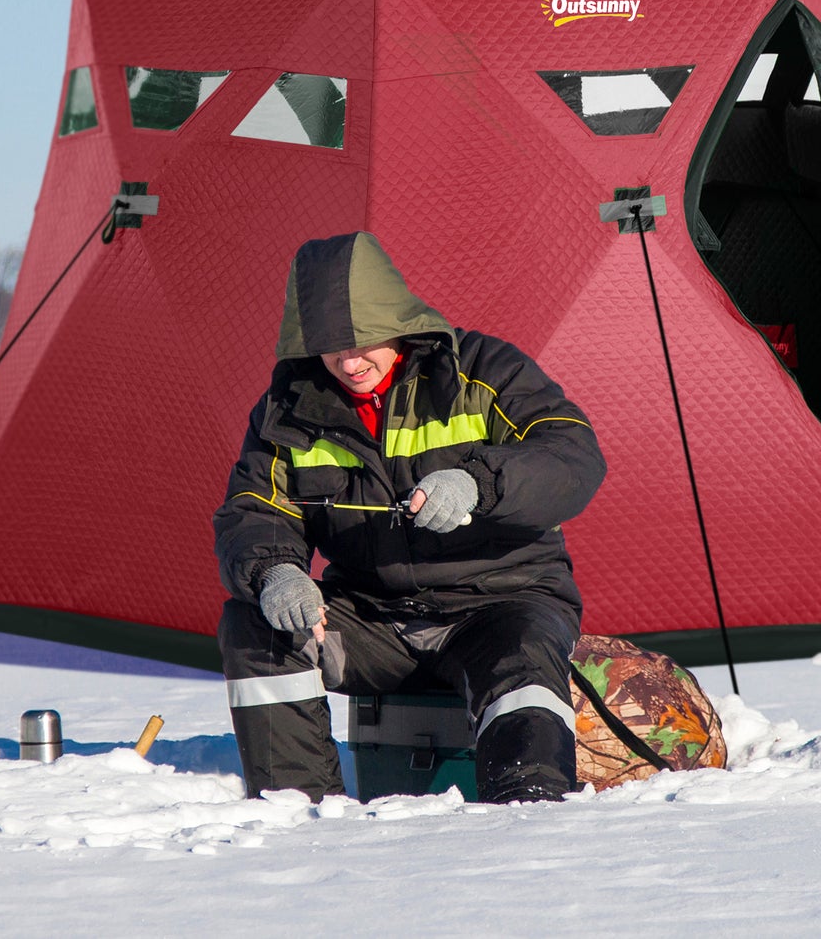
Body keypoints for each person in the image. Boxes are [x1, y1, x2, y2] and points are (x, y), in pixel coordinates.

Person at [213, 231, 606, 804]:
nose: (349, 362)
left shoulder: (483, 369)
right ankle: (297, 813)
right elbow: (254, 506)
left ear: (398, 320)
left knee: (521, 659)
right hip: (374, 622)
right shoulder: (287, 407)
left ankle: (528, 812)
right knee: (256, 626)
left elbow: (572, 457)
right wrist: (276, 571)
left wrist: (478, 484)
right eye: (330, 346)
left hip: (500, 605)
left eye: (365, 340)